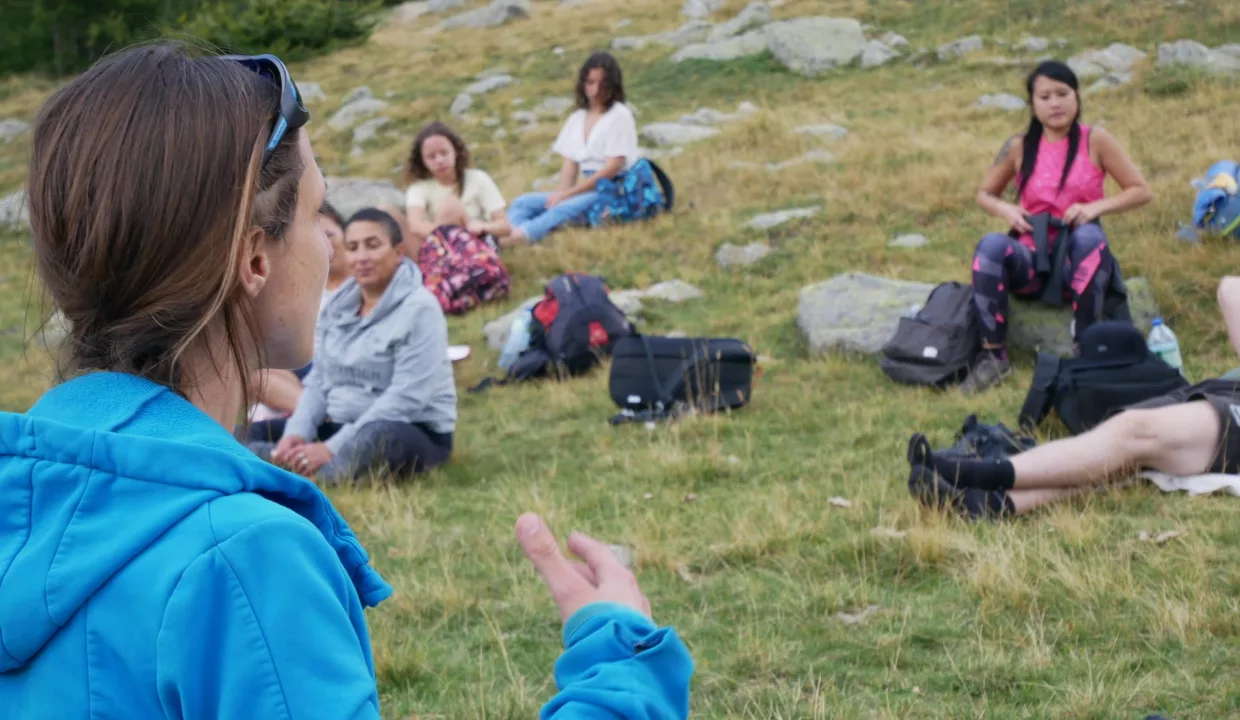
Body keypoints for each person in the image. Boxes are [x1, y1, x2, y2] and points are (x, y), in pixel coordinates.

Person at [0, 43, 693, 718]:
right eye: (313, 216)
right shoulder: (243, 564)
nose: (330, 245)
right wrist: (620, 668)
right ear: (253, 260)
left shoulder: (23, 502)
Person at [907, 276, 1240, 521]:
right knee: (1121, 454)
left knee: (1136, 432)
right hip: (1216, 394)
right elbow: (1229, 287)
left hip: (1225, 408)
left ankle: (979, 474)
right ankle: (989, 504)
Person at [964, 59, 1153, 394]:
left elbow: (1141, 191)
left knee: (1091, 237)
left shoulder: (1096, 140)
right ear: (1033, 104)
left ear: (1077, 96)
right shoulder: (1019, 146)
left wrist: (1095, 207)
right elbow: (983, 193)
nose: (1055, 103)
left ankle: (1085, 348)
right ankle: (993, 357)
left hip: (1077, 263)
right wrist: (1006, 210)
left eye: (1063, 93)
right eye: (1045, 96)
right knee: (990, 247)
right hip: (1031, 262)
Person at [247, 207, 457, 483]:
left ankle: (287, 473)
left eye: (373, 245)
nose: (362, 257)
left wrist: (331, 448)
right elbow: (319, 380)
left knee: (377, 438)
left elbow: (407, 398)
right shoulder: (336, 307)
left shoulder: (421, 309)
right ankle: (289, 462)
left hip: (408, 427)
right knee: (243, 433)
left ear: (398, 252)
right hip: (338, 422)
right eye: (353, 247)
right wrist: (295, 435)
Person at [505, 51, 639, 246]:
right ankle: (514, 232)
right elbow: (570, 166)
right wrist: (560, 195)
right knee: (523, 202)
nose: (595, 90)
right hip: (585, 189)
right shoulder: (577, 118)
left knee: (563, 209)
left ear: (613, 85)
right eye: (590, 82)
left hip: (613, 191)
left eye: (602, 84)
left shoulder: (620, 116)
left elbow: (613, 168)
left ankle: (518, 237)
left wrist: (567, 197)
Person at [249, 200, 350, 421]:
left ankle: (311, 415)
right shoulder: (306, 286)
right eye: (316, 236)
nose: (325, 246)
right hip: (306, 364)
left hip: (341, 365)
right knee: (256, 377)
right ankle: (323, 416)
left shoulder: (362, 285)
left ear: (347, 236)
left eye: (330, 234)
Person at [403, 120, 511, 246]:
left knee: (451, 206)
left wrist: (482, 226)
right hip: (437, 248)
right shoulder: (418, 188)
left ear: (456, 152)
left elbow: (505, 226)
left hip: (476, 245)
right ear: (422, 161)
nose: (439, 160)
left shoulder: (478, 178)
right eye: (431, 157)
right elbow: (415, 225)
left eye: (444, 153)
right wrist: (445, 234)